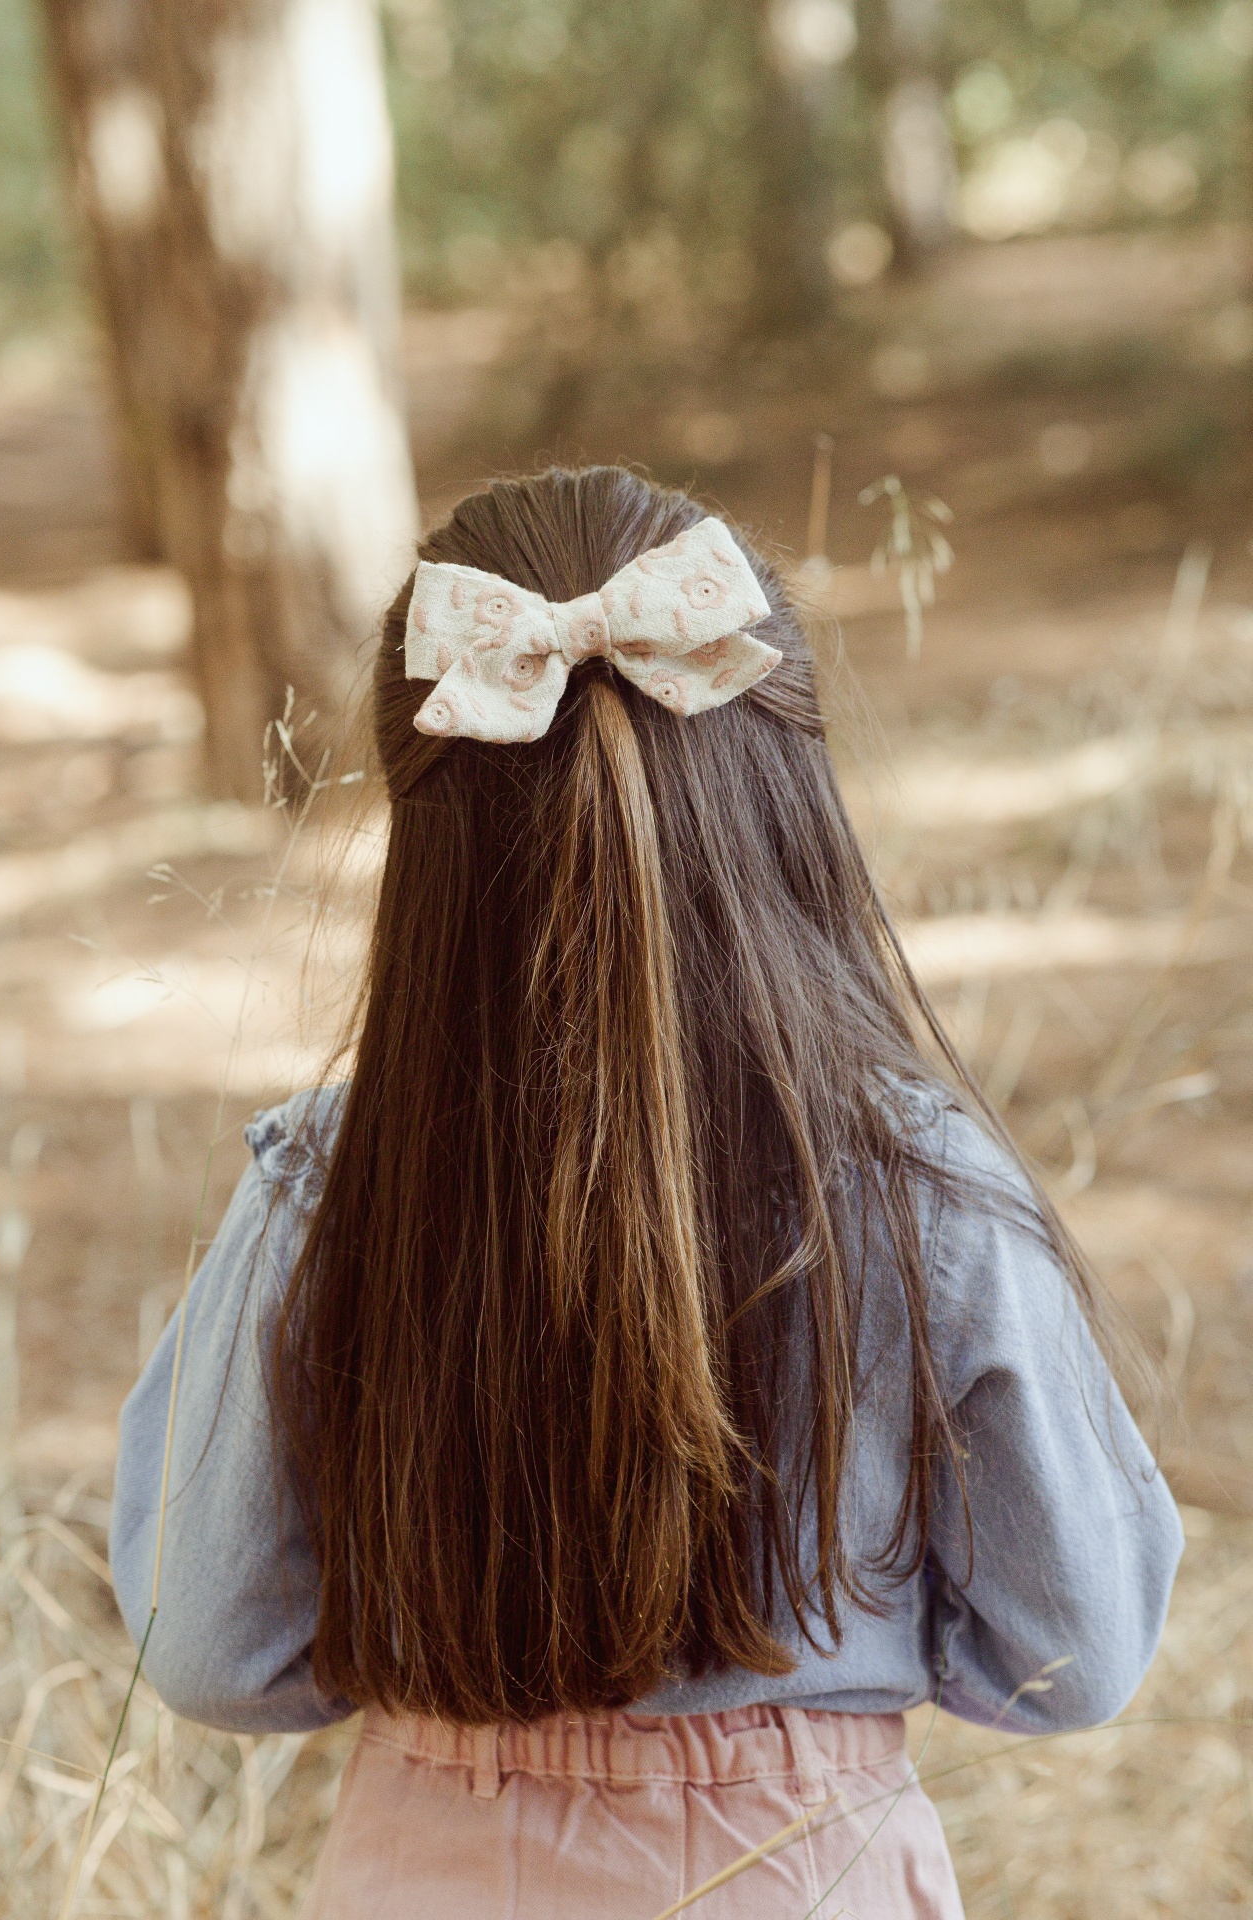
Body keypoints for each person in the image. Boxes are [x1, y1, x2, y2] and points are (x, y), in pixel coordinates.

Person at [110, 467, 1183, 1918]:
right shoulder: (925, 1186)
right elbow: (1080, 1648)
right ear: (789, 798)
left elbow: (209, 1648)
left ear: (423, 842)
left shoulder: (320, 1190)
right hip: (807, 1875)